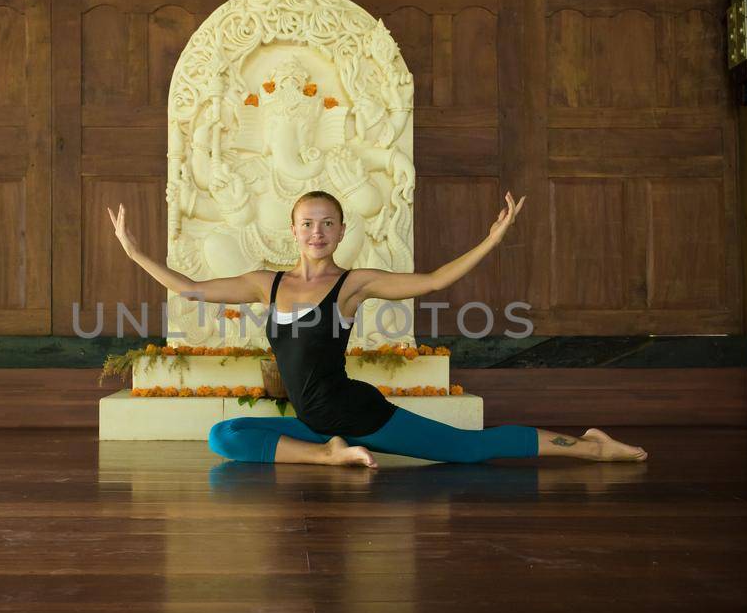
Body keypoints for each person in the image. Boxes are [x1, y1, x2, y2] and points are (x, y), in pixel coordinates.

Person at [106, 191, 647, 470]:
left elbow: (433, 280)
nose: (317, 231)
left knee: (467, 450)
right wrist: (134, 252)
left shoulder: (353, 284)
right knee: (224, 436)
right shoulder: (263, 283)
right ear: (292, 231)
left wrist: (492, 240)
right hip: (319, 426)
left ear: (341, 230)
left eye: (327, 223)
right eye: (307, 223)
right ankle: (329, 455)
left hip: (357, 413)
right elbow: (192, 289)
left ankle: (591, 447)